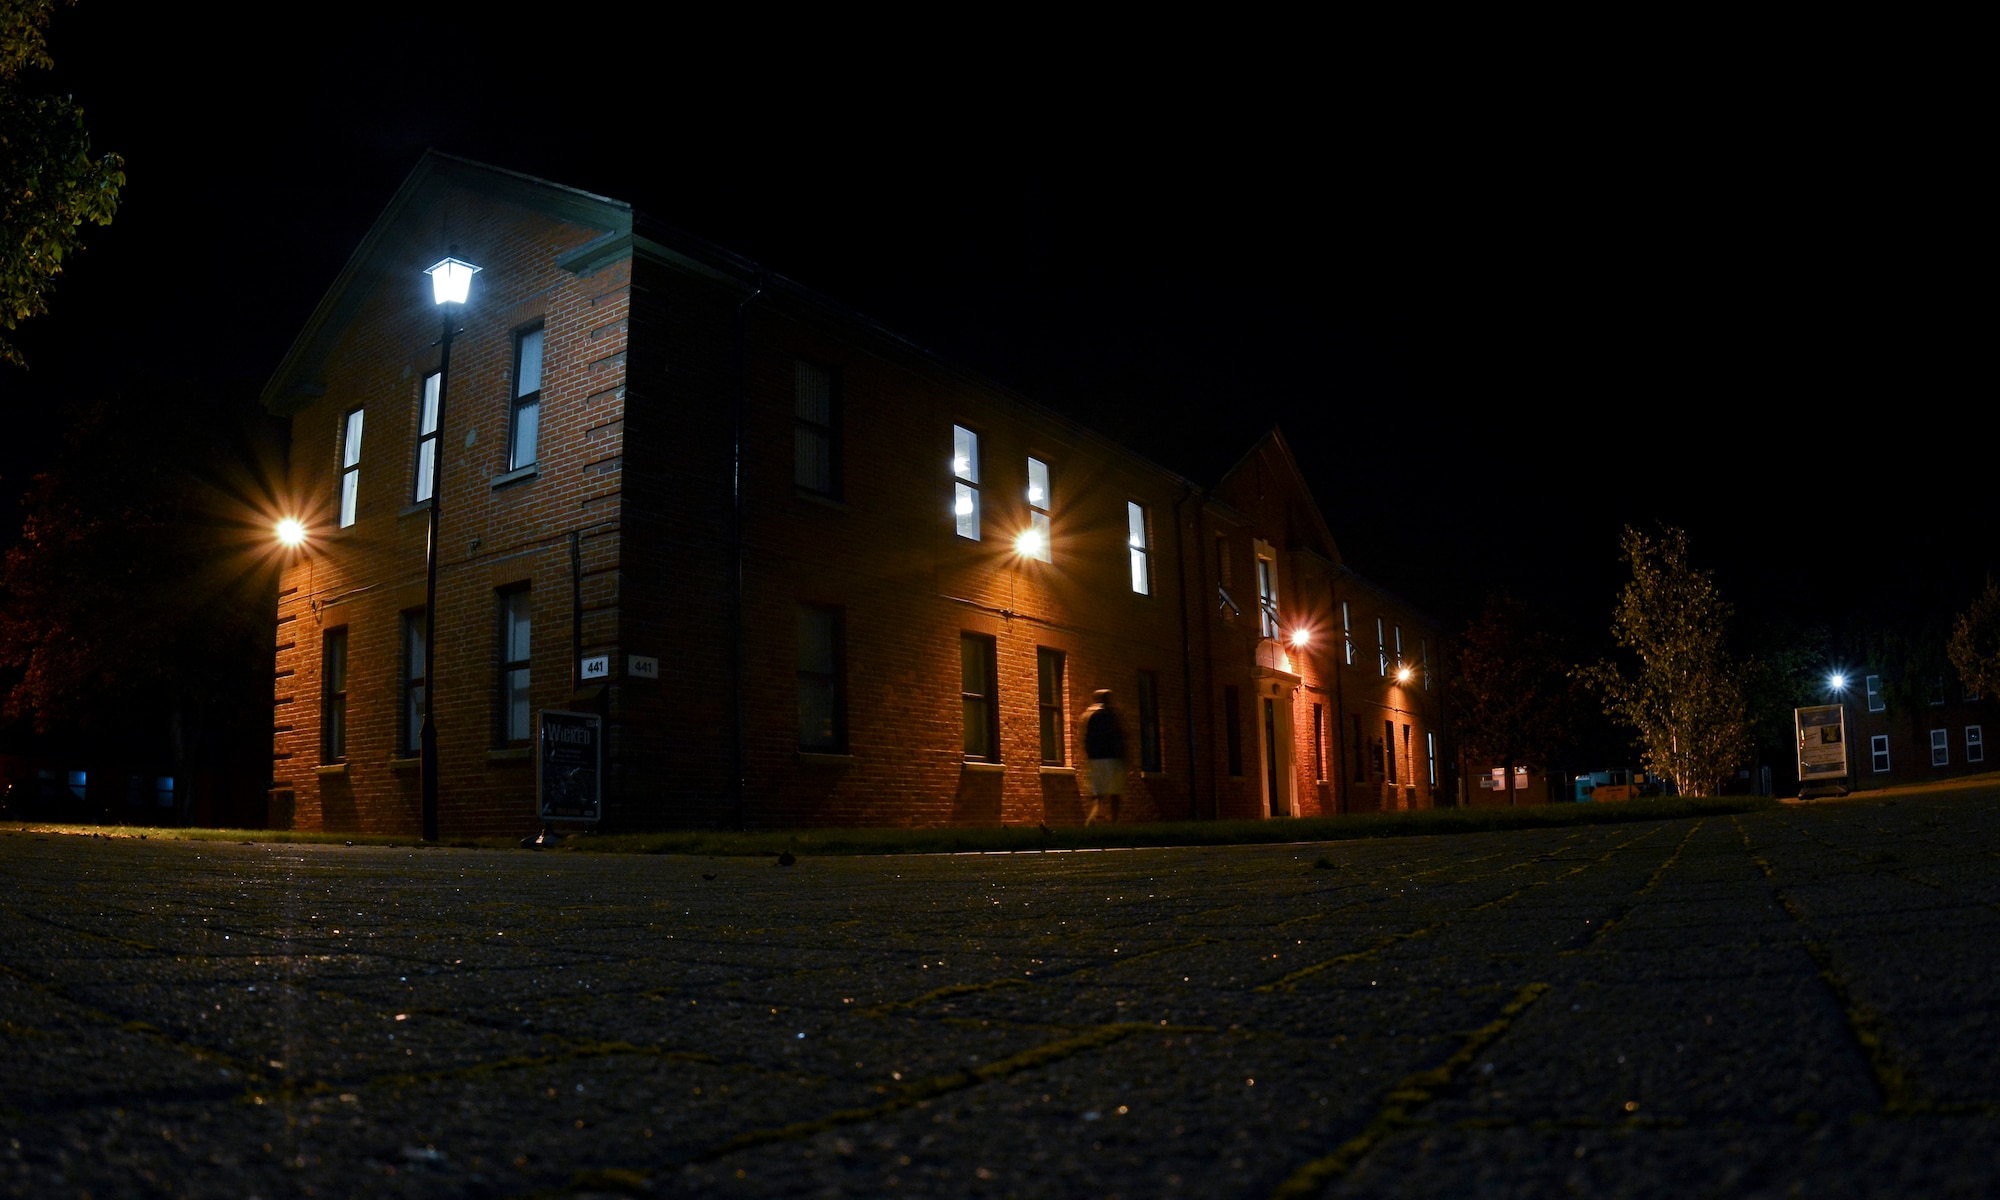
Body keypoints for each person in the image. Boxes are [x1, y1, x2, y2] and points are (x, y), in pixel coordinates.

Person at [1082, 689, 1126, 826]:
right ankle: (1114, 822)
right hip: (1112, 758)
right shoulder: (1112, 714)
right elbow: (1119, 736)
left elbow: (1084, 738)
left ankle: (1092, 818)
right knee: (1115, 793)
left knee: (1098, 795)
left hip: (1095, 759)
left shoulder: (1088, 714)